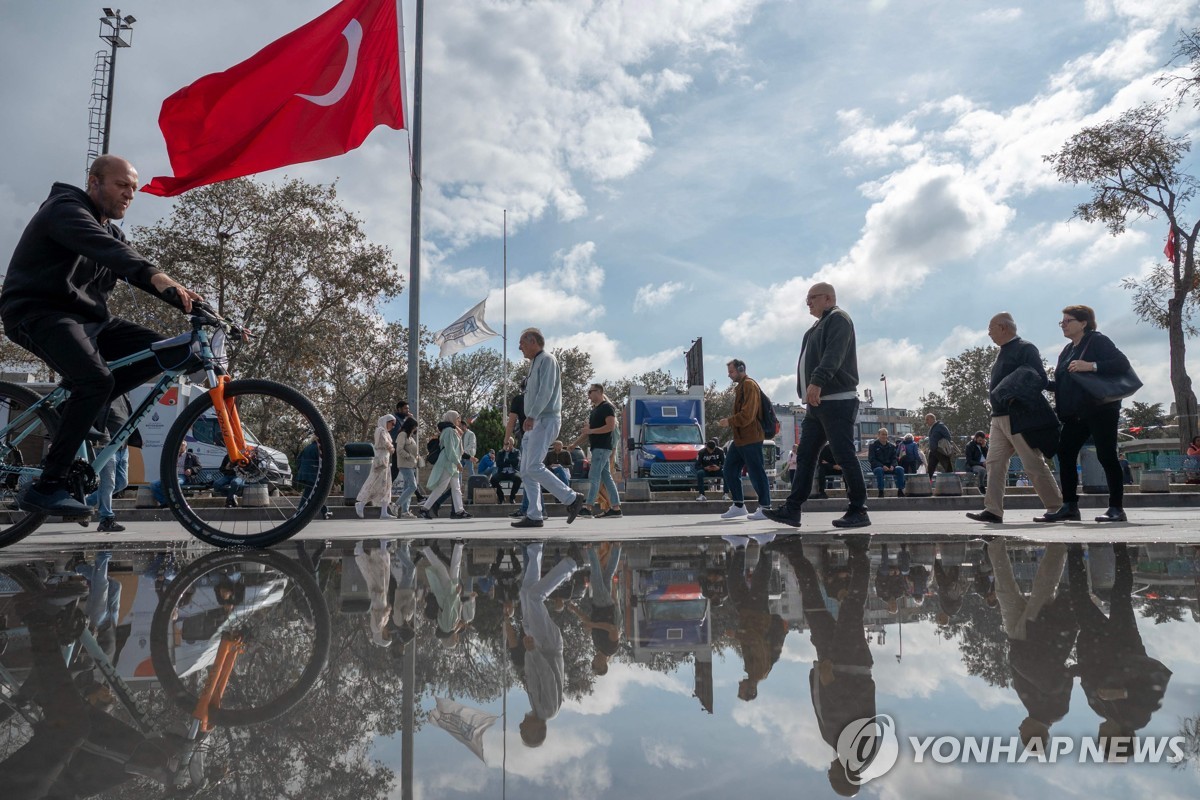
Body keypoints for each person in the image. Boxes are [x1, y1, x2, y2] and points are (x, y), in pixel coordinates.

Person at [0, 155, 202, 516]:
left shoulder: (113, 233)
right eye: (122, 185)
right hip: (38, 312)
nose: (129, 195)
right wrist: (156, 274)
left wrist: (203, 310)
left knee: (164, 350)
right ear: (94, 181)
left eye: (134, 189)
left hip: (89, 321)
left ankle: (72, 410)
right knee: (95, 380)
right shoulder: (64, 209)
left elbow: (133, 265)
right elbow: (113, 253)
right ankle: (47, 486)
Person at [764, 283, 870, 528]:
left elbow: (834, 354)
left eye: (812, 298)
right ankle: (792, 509)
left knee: (843, 454)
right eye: (806, 299)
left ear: (828, 298)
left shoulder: (839, 319)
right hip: (817, 405)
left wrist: (817, 382)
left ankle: (859, 509)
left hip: (837, 401)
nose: (807, 303)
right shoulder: (816, 326)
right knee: (806, 456)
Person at [1039, 305, 1133, 523]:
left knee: (1106, 455)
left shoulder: (1098, 341)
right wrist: (1043, 384)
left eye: (1067, 320)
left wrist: (1090, 365)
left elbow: (1121, 363)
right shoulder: (1067, 350)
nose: (1063, 325)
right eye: (1061, 321)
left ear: (1083, 323)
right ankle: (1070, 506)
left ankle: (1116, 508)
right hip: (1076, 413)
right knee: (1065, 453)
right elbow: (1065, 382)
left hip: (1101, 408)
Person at [967, 313, 1063, 524]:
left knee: (1031, 463)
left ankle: (1055, 507)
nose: (989, 333)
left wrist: (1015, 398)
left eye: (991, 328)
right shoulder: (1003, 352)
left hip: (1018, 416)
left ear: (1003, 328)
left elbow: (1039, 377)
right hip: (998, 417)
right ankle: (993, 510)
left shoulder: (1025, 348)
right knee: (994, 463)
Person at [987, 537, 1076, 750]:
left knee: (1006, 592)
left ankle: (994, 544)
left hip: (1019, 639)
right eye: (1022, 734)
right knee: (1043, 587)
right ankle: (1057, 545)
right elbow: (1061, 678)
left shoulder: (1034, 709)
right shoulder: (1056, 711)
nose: (1019, 729)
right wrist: (1020, 662)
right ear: (1034, 734)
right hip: (1036, 637)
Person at [512, 328, 585, 528]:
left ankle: (571, 498)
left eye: (522, 343)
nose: (520, 347)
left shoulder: (547, 360)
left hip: (543, 419)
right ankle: (534, 515)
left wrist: (532, 415)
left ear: (533, 341)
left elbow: (545, 391)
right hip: (534, 422)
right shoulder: (535, 363)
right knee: (526, 470)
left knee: (534, 466)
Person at [518, 542, 585, 746]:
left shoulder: (537, 708)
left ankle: (535, 549)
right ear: (537, 731)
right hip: (546, 646)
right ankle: (572, 563)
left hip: (537, 644)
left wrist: (529, 650)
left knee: (525, 593)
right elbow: (546, 676)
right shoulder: (548, 710)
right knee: (535, 597)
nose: (520, 727)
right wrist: (533, 651)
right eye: (524, 732)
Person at [717, 359, 773, 520]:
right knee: (729, 470)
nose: (729, 375)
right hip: (740, 438)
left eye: (731, 371)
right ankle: (739, 505)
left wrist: (729, 421)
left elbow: (748, 415)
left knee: (756, 472)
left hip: (751, 437)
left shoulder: (749, 385)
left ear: (741, 369)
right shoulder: (741, 387)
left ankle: (765, 507)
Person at [84, 395, 132, 532]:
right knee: (108, 483)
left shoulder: (123, 395)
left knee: (122, 483)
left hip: (123, 447)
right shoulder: (105, 393)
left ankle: (85, 504)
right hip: (106, 445)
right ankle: (106, 519)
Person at [574, 383, 622, 518]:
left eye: (590, 392)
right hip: (597, 448)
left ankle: (588, 508)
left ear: (599, 391)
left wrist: (591, 430)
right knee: (606, 478)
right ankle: (616, 508)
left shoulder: (607, 407)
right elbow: (588, 432)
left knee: (594, 476)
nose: (588, 395)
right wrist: (574, 444)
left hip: (602, 448)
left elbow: (610, 427)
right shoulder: (594, 410)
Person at [420, 410, 471, 519]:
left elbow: (456, 450)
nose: (459, 421)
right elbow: (450, 449)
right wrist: (457, 463)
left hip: (451, 464)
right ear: (452, 418)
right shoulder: (448, 431)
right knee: (441, 488)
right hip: (447, 463)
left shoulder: (453, 431)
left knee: (456, 488)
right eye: (457, 418)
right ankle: (425, 508)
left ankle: (459, 510)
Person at [355, 414, 396, 520]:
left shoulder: (385, 431)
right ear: (387, 422)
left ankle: (384, 512)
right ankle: (361, 504)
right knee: (374, 483)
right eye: (392, 423)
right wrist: (391, 448)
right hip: (380, 460)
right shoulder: (380, 430)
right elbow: (385, 443)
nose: (393, 426)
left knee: (385, 486)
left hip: (385, 460)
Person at [391, 416, 421, 517]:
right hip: (404, 465)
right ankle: (396, 505)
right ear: (410, 426)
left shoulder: (410, 437)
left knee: (407, 488)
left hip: (411, 465)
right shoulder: (402, 435)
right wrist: (409, 457)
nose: (415, 429)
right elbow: (399, 449)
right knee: (413, 486)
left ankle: (405, 511)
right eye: (414, 427)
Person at [296, 436, 332, 519]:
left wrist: (301, 469)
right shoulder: (319, 448)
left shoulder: (307, 447)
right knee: (312, 493)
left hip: (304, 473)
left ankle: (325, 510)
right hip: (313, 473)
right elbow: (323, 462)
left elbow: (298, 459)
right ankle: (299, 512)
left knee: (313, 493)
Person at [866, 428, 906, 499]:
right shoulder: (873, 446)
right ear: (878, 435)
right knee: (879, 470)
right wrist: (882, 466)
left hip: (890, 467)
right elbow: (872, 459)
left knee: (900, 469)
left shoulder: (892, 446)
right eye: (882, 434)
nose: (884, 436)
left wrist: (893, 466)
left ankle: (900, 490)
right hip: (878, 467)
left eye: (886, 434)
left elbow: (894, 458)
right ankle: (881, 491)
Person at [492, 437, 522, 503]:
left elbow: (516, 462)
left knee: (518, 479)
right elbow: (498, 463)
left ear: (512, 444)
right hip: (502, 472)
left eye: (509, 444)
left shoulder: (516, 452)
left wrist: (506, 461)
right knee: (493, 479)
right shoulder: (500, 452)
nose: (507, 445)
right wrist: (510, 463)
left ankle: (512, 497)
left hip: (513, 471)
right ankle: (501, 498)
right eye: (506, 444)